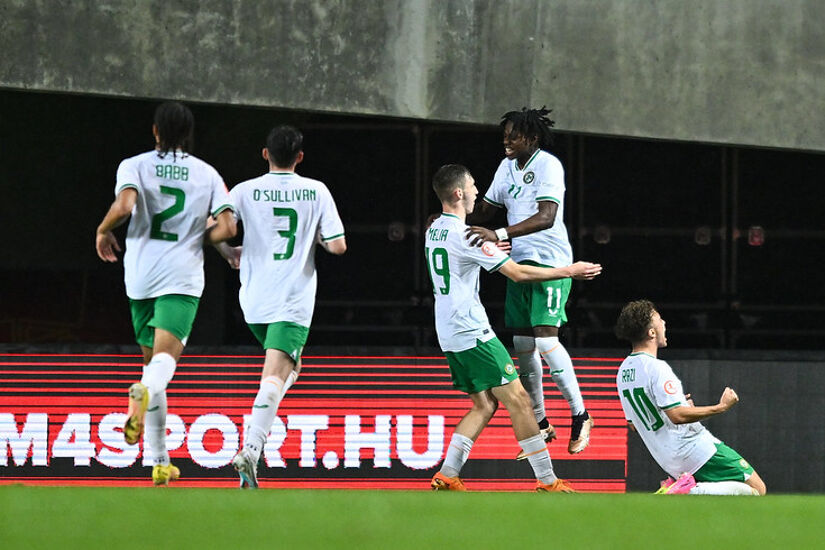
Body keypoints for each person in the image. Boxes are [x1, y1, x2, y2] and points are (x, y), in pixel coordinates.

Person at [426, 164, 601, 492]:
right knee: (520, 399)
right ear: (458, 193)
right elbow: (519, 274)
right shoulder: (466, 235)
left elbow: (454, 243)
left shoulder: (435, 230)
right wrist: (568, 271)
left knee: (484, 404)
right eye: (473, 185)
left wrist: (490, 246)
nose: (478, 192)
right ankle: (548, 482)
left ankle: (447, 475)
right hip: (471, 330)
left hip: (448, 331)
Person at [95, 101, 237, 485]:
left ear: (155, 131)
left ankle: (158, 461)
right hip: (180, 275)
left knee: (152, 363)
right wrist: (203, 238)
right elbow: (227, 227)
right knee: (162, 367)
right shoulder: (207, 173)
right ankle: (142, 391)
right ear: (189, 134)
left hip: (139, 275)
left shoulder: (134, 164)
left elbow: (125, 205)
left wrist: (103, 229)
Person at [215, 125, 346, 489]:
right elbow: (338, 247)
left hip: (254, 300)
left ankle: (252, 460)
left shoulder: (243, 190)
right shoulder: (316, 190)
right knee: (274, 377)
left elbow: (214, 228)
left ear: (265, 154)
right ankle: (251, 449)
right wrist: (314, 235)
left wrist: (229, 253)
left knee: (290, 370)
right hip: (292, 298)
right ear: (300, 157)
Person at [464, 107, 594, 457]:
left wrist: (500, 233)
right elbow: (486, 211)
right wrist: (451, 217)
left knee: (546, 340)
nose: (506, 140)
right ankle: (540, 422)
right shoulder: (506, 166)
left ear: (532, 138)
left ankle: (580, 414)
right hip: (518, 264)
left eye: (514, 135)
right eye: (504, 134)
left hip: (551, 261)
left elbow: (547, 216)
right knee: (523, 346)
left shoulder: (548, 165)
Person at [614, 299, 767, 496]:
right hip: (693, 448)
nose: (664, 324)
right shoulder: (657, 368)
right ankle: (689, 490)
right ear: (651, 332)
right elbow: (677, 416)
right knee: (757, 488)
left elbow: (635, 424)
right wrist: (721, 407)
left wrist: (675, 407)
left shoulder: (623, 371)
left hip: (667, 459)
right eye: (659, 320)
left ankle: (685, 488)